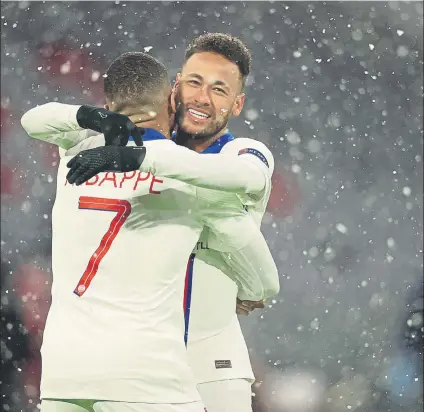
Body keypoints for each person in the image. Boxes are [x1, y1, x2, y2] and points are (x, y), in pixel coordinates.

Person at [21, 52, 279, 412]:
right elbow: (263, 273)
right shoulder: (194, 178)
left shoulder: (76, 151)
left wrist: (87, 117)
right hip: (147, 369)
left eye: (218, 89)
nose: (202, 98)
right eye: (194, 84)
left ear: (109, 104)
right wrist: (254, 288)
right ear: (173, 96)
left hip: (67, 368)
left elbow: (33, 119)